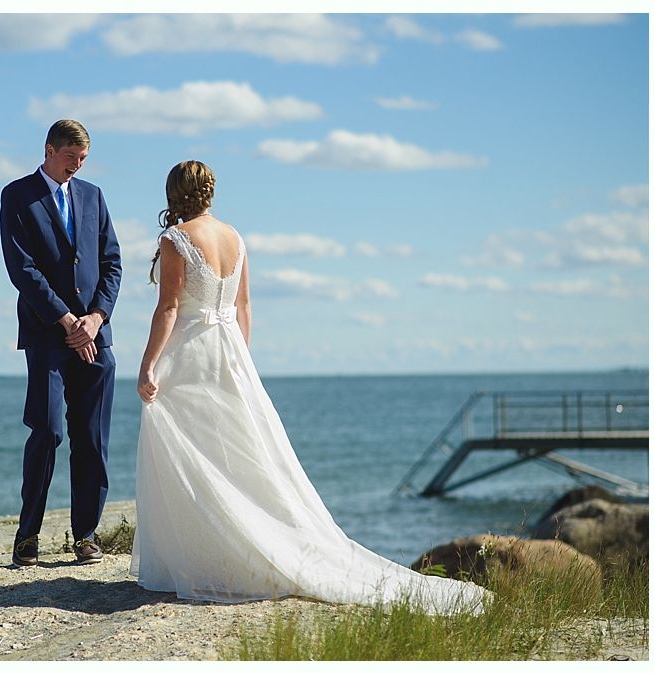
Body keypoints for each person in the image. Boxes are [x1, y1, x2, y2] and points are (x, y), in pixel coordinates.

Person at [131, 160, 488, 614]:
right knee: (236, 455)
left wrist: (148, 365)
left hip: (189, 353)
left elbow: (168, 308)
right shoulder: (235, 238)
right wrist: (239, 360)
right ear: (209, 192)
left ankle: (201, 558)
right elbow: (243, 307)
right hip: (230, 353)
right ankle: (229, 549)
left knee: (190, 453)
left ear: (173, 193)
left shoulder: (175, 239)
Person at [0, 120, 122, 566]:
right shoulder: (16, 195)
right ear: (49, 150)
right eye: (70, 157)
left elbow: (112, 262)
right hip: (47, 335)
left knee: (91, 438)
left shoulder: (93, 196)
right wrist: (67, 320)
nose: (76, 166)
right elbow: (22, 267)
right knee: (48, 432)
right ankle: (28, 533)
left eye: (82, 160)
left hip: (95, 336)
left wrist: (95, 317)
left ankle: (85, 535)